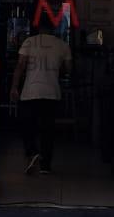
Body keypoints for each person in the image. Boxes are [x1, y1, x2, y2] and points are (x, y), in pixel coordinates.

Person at [11, 26, 71, 175]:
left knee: (27, 126)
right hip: (52, 92)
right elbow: (68, 69)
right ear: (53, 28)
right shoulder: (62, 45)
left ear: (38, 28)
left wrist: (14, 87)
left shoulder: (29, 42)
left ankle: (32, 151)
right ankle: (45, 166)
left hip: (30, 92)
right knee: (47, 130)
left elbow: (20, 66)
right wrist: (55, 71)